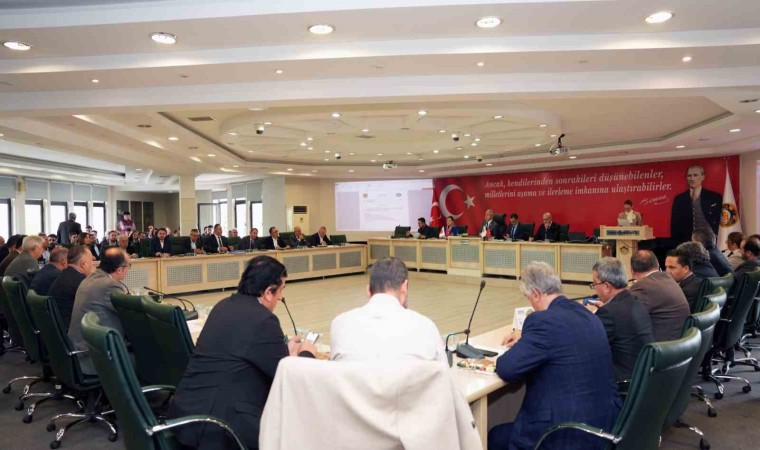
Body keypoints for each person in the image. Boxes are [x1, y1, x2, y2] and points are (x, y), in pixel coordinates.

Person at [168, 255, 316, 450]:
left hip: (186, 414)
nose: (281, 297)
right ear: (268, 292)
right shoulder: (263, 320)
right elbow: (287, 379)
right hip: (220, 428)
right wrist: (306, 353)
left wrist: (282, 351)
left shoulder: (223, 305)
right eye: (281, 290)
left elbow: (244, 350)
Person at [489, 262, 620, 450]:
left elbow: (507, 368)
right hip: (604, 426)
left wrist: (522, 346)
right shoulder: (589, 315)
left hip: (563, 433)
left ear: (536, 293)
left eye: (528, 298)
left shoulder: (541, 320)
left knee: (495, 436)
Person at [331, 257, 448, 365]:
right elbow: (444, 374)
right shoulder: (425, 327)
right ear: (404, 287)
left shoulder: (340, 324)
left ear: (368, 290)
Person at [68, 248, 131, 374]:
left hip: (78, 350)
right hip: (93, 356)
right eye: (128, 266)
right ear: (119, 270)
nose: (128, 269)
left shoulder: (90, 278)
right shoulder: (110, 285)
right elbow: (129, 314)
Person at [591, 257, 654, 382]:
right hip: (643, 375)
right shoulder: (636, 302)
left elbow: (589, 344)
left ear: (607, 286)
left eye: (594, 283)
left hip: (622, 381)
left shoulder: (609, 312)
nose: (594, 288)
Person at [628, 250, 690, 342]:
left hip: (662, 346)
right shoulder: (667, 278)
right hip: (678, 342)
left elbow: (626, 318)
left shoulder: (642, 287)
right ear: (657, 265)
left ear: (631, 270)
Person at [670, 165, 722, 245]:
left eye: (695, 175)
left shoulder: (715, 197)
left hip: (711, 242)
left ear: (703, 177)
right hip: (687, 244)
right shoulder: (679, 199)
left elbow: (720, 221)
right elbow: (674, 226)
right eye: (689, 176)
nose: (692, 178)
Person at [47, 246, 94, 333]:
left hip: (56, 331)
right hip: (71, 332)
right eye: (91, 261)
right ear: (83, 264)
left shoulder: (64, 274)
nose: (93, 265)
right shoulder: (81, 282)